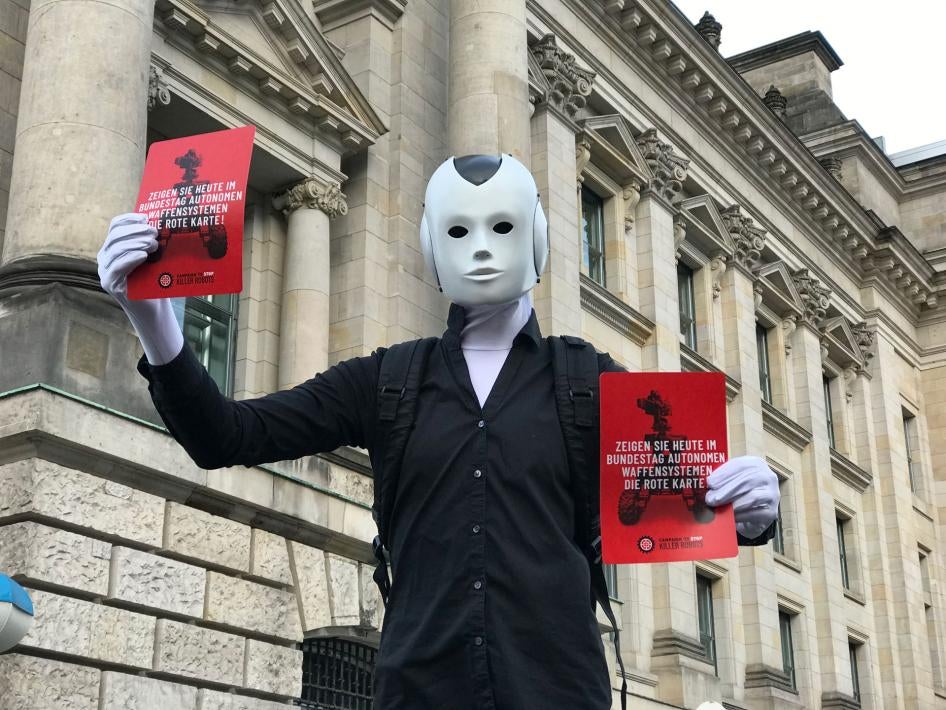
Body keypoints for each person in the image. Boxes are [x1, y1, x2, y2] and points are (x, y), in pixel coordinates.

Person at [98, 153, 778, 709]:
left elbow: (683, 494)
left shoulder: (589, 380)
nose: (480, 248)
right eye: (459, 231)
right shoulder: (386, 380)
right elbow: (227, 437)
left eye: (502, 227)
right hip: (420, 692)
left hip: (557, 691)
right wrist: (154, 323)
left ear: (537, 237)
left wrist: (748, 513)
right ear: (431, 243)